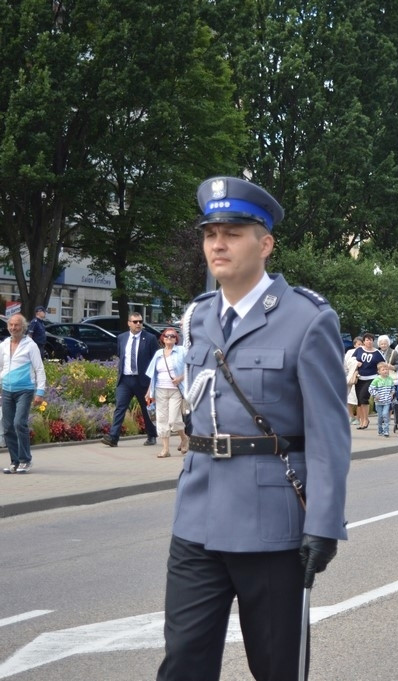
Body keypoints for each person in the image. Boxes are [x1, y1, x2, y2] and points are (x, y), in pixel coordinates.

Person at [157, 176, 349, 681]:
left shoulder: (307, 318)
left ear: (264, 244)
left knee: (276, 665)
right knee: (183, 662)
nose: (217, 243)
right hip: (197, 515)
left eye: (233, 232)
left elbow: (330, 432)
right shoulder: (198, 315)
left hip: (271, 525)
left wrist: (324, 524)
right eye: (210, 233)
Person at [102, 312, 159, 447]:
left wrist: (153, 383)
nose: (138, 324)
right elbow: (121, 355)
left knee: (146, 409)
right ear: (129, 323)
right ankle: (113, 437)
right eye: (135, 322)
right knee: (120, 408)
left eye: (140, 321)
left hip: (142, 380)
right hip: (125, 380)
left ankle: (152, 436)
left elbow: (155, 360)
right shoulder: (122, 338)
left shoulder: (149, 338)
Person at [1, 314, 46, 474]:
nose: (13, 328)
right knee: (7, 427)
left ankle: (25, 460)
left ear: (23, 327)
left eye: (17, 325)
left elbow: (39, 369)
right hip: (7, 390)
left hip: (25, 390)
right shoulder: (4, 344)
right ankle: (15, 461)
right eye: (11, 325)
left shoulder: (30, 345)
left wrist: (40, 392)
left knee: (19, 423)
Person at [144, 327, 188, 457]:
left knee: (173, 420)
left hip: (176, 390)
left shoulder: (181, 351)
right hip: (160, 390)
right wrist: (148, 392)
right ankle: (165, 449)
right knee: (162, 419)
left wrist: (180, 378)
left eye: (172, 336)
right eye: (167, 336)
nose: (169, 338)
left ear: (176, 339)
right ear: (162, 338)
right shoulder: (158, 353)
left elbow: (190, 367)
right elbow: (153, 374)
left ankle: (184, 438)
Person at [353, 333, 385, 429]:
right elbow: (351, 360)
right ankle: (362, 420)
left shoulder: (377, 353)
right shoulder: (359, 350)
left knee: (363, 397)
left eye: (371, 340)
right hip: (359, 377)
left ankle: (366, 419)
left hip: (371, 378)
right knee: (359, 400)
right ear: (364, 341)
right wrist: (356, 363)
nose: (369, 341)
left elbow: (382, 363)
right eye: (367, 340)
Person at [369, 362, 396, 437]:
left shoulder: (390, 379)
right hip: (378, 402)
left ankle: (386, 431)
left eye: (386, 369)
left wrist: (392, 394)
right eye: (383, 370)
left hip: (387, 401)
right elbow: (370, 389)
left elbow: (393, 388)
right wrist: (376, 395)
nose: (385, 371)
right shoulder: (376, 380)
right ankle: (380, 430)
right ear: (379, 371)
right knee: (380, 416)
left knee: (385, 415)